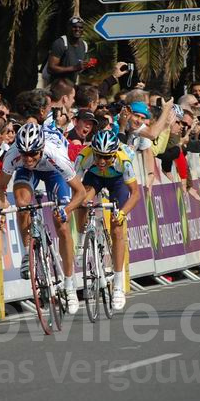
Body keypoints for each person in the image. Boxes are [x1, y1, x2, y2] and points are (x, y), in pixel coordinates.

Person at [0, 122, 86, 314]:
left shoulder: (56, 155)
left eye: (33, 153)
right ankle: (28, 253)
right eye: (24, 153)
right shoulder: (14, 155)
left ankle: (69, 285)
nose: (28, 158)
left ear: (41, 148)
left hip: (54, 173)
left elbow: (81, 192)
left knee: (61, 224)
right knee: (21, 202)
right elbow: (1, 188)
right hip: (29, 175)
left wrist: (66, 210)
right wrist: (0, 211)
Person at [74, 130, 140, 311]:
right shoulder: (84, 157)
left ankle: (118, 286)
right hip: (94, 178)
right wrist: (81, 200)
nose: (102, 161)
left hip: (117, 182)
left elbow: (135, 194)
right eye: (98, 156)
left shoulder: (123, 160)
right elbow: (75, 185)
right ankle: (81, 243)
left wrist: (123, 213)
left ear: (114, 154)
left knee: (117, 228)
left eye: (106, 157)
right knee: (82, 200)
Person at [44, 16, 93, 84]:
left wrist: (87, 66)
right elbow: (51, 68)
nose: (77, 29)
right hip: (56, 86)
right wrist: (74, 68)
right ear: (68, 27)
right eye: (74, 27)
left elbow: (80, 68)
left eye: (80, 27)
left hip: (71, 86)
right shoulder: (61, 43)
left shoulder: (84, 45)